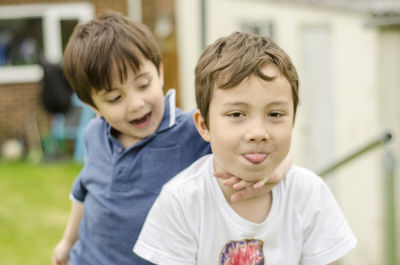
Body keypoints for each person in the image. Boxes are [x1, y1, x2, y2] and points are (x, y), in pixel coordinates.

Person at [52, 11, 289, 265]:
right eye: (115, 99)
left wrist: (273, 171)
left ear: (160, 72)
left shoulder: (193, 131)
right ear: (94, 106)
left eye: (143, 84)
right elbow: (84, 193)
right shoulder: (95, 134)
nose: (136, 103)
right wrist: (67, 242)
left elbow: (264, 148)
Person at [133, 32, 357, 265]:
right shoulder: (182, 201)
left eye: (275, 114)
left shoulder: (308, 193)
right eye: (237, 114)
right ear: (204, 125)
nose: (258, 132)